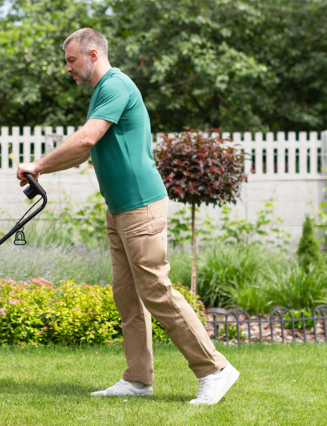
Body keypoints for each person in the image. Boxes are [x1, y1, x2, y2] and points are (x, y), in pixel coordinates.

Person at [15, 28, 239, 406]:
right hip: (119, 208)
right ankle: (138, 378)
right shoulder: (100, 94)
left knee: (156, 289)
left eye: (71, 60)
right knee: (127, 296)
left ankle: (214, 369)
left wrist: (36, 164)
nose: (67, 68)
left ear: (92, 54)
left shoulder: (116, 85)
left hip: (140, 205)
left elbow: (87, 139)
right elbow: (84, 152)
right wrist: (42, 171)